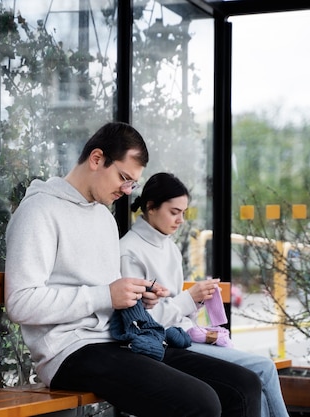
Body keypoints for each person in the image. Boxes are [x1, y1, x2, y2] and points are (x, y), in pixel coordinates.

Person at [4, 122, 261, 417]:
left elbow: (109, 294)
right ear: (97, 159)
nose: (127, 191)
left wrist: (138, 297)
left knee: (244, 385)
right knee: (200, 403)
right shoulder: (39, 211)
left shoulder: (103, 217)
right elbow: (20, 303)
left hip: (121, 340)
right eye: (124, 178)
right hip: (70, 351)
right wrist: (107, 296)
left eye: (133, 184)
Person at [120, 172, 290, 417]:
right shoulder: (130, 251)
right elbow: (142, 324)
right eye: (174, 211)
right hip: (163, 345)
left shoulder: (169, 246)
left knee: (258, 375)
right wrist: (189, 298)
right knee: (262, 369)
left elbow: (176, 307)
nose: (180, 220)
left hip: (182, 336)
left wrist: (197, 300)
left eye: (183, 213)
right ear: (150, 207)